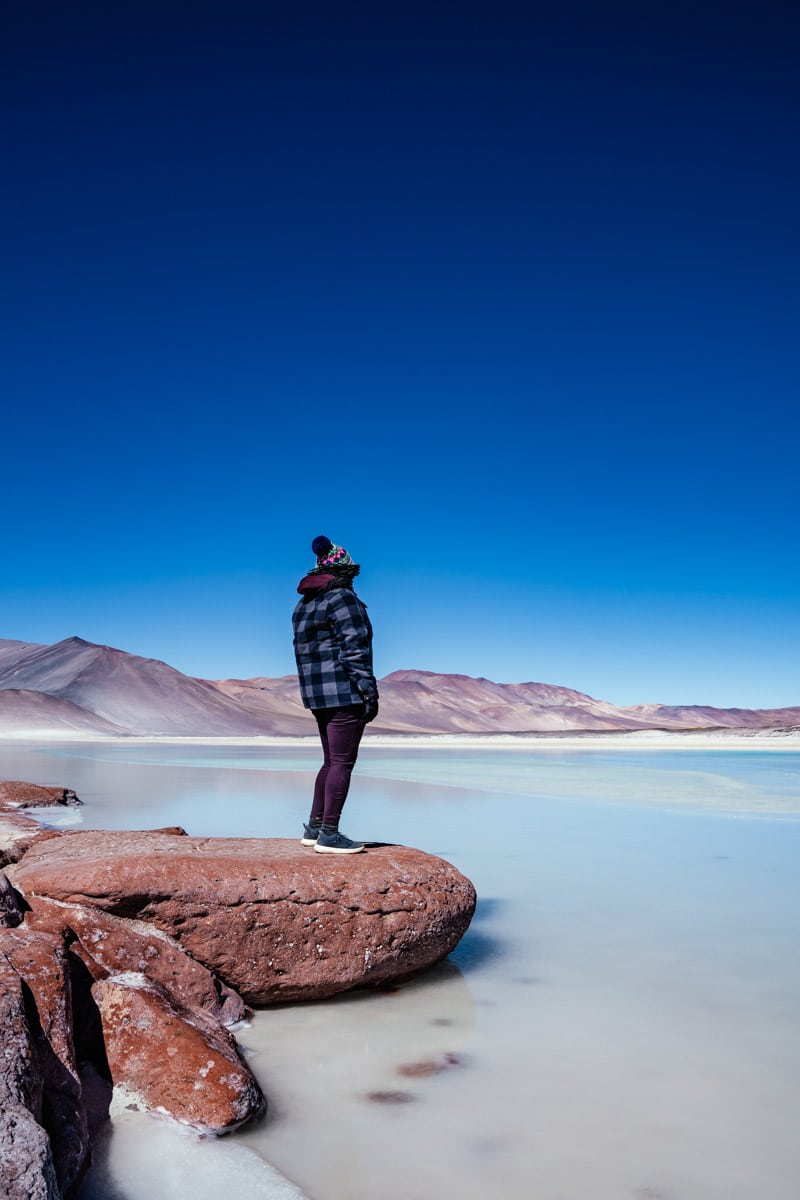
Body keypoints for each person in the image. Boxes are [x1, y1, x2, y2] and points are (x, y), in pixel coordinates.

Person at [292, 535, 379, 854]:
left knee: (330, 762)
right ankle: (329, 833)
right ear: (344, 572)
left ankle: (315, 827)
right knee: (342, 763)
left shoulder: (303, 605)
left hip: (317, 694)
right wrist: (368, 692)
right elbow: (354, 649)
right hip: (345, 692)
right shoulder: (343, 599)